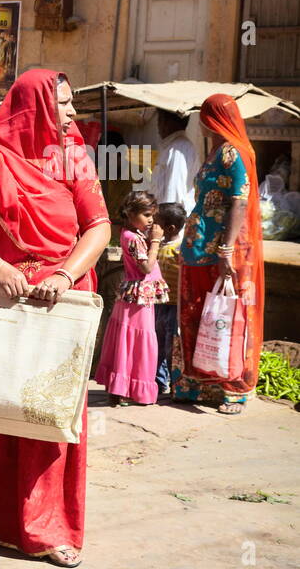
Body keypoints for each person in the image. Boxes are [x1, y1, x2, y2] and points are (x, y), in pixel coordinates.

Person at [0, 69, 111, 567]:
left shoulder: (73, 155)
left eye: (73, 104)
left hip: (63, 299)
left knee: (50, 411)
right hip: (0, 300)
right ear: (34, 105)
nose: (72, 113)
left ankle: (49, 528)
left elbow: (97, 226)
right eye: (63, 104)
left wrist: (64, 274)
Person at [171, 95, 266, 416]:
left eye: (205, 115)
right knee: (196, 312)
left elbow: (239, 201)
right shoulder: (216, 151)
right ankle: (197, 379)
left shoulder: (235, 153)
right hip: (197, 248)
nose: (201, 121)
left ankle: (232, 388)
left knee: (227, 315)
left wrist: (226, 249)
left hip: (222, 251)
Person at [94, 192, 169, 407]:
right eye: (146, 215)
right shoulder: (132, 238)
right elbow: (145, 267)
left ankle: (121, 389)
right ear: (130, 213)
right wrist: (155, 241)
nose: (151, 220)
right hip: (137, 299)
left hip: (136, 297)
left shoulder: (130, 234)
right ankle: (126, 389)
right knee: (136, 341)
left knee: (127, 341)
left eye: (152, 215)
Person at [153, 203, 187, 394]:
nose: (153, 226)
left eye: (157, 223)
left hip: (174, 306)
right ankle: (159, 382)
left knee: (170, 346)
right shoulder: (155, 246)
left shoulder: (180, 249)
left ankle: (175, 383)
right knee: (157, 344)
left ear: (170, 228)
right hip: (158, 304)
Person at [150, 110, 202, 230]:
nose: (158, 126)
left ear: (166, 122)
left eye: (160, 120)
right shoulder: (172, 147)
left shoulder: (178, 148)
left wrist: (165, 227)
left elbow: (174, 193)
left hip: (172, 227)